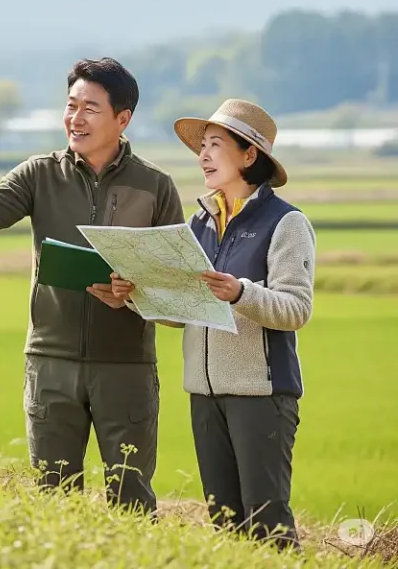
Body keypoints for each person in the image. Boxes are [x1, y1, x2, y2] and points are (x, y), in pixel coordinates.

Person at [0, 58, 184, 514]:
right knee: (54, 499)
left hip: (126, 367)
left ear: (123, 118)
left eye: (91, 108)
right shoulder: (39, 174)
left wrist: (135, 294)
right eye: (71, 105)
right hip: (51, 362)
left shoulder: (156, 187)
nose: (76, 117)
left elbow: (176, 285)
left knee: (131, 499)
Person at [110, 99, 315, 547]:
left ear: (249, 155)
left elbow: (296, 308)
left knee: (267, 523)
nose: (202, 155)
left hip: (261, 395)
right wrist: (135, 296)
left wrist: (241, 292)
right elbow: (189, 309)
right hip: (204, 394)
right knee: (224, 522)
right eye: (201, 146)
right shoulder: (201, 222)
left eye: (215, 145)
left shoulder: (286, 223)